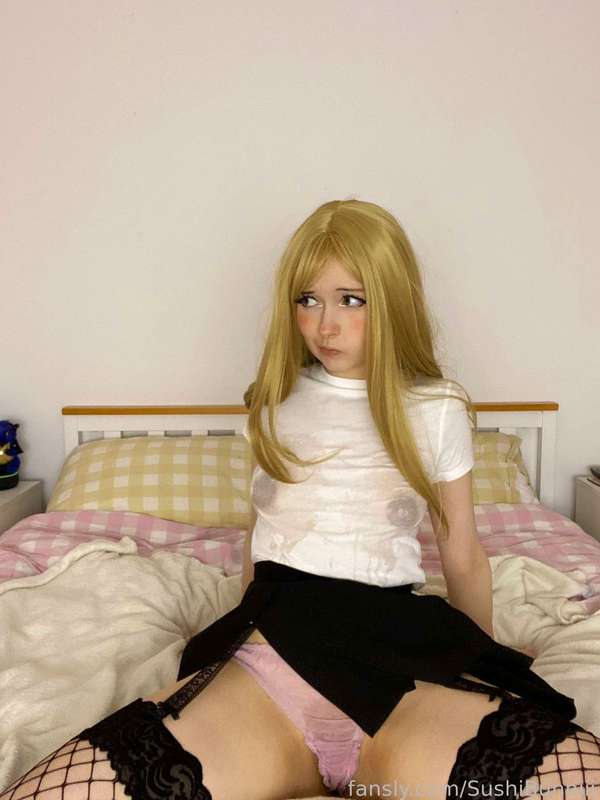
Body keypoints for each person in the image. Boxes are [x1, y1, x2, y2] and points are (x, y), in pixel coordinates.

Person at [2, 199, 599, 800]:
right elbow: (259, 532)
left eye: (351, 299)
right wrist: (238, 625)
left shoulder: (434, 407)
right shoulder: (274, 400)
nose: (324, 325)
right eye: (307, 299)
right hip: (271, 652)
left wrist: (485, 656)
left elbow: (462, 552)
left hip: (398, 656)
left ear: (392, 299)